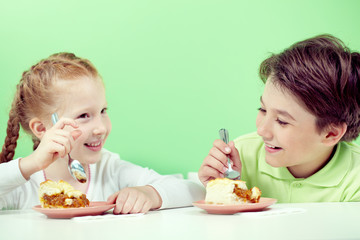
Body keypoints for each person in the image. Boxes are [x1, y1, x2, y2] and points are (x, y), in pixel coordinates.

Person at [0, 52, 204, 212]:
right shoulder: (22, 184)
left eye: (103, 111)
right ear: (42, 129)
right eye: (84, 116)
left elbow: (195, 190)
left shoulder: (109, 170)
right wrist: (30, 165)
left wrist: (150, 194)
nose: (101, 128)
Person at [199, 34, 360, 202]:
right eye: (262, 109)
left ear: (331, 134)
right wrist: (223, 192)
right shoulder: (241, 157)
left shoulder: (356, 181)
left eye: (282, 121)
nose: (262, 130)